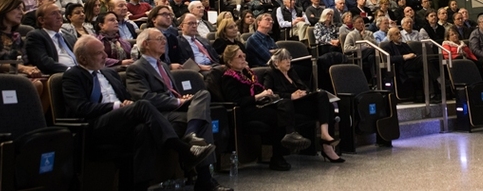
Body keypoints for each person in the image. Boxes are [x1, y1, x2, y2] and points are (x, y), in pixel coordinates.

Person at [61, 36, 227, 191]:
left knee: (144, 130)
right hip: (97, 125)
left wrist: (125, 104)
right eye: (99, 53)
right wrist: (117, 106)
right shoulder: (73, 75)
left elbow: (126, 97)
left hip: (122, 120)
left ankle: (141, 185)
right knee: (142, 105)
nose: (105, 56)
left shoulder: (109, 73)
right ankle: (183, 149)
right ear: (83, 58)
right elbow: (81, 108)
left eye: (103, 51)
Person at [126, 29, 223, 190]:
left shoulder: (163, 65)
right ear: (145, 44)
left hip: (176, 106)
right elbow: (145, 98)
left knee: (203, 94)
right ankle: (205, 179)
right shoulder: (136, 69)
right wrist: (176, 101)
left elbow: (171, 90)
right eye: (159, 39)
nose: (164, 42)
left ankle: (190, 135)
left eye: (164, 39)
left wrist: (182, 99)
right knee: (203, 120)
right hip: (158, 113)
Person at [212, 44, 310, 171]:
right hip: (246, 110)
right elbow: (237, 101)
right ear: (230, 61)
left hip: (260, 104)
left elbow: (259, 89)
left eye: (244, 56)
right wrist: (259, 96)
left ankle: (287, 139)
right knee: (277, 116)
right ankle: (279, 153)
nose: (243, 58)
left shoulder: (247, 74)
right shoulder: (228, 78)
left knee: (284, 104)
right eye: (239, 57)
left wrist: (267, 93)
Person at [262, 48, 343, 163]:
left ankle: (325, 137)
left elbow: (304, 87)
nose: (288, 61)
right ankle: (326, 145)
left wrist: (303, 92)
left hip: (301, 101)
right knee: (325, 106)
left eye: (289, 58)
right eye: (284, 59)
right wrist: (291, 95)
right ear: (276, 62)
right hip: (288, 105)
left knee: (323, 97)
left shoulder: (291, 72)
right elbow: (270, 93)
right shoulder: (270, 74)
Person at [24, 2, 77, 74]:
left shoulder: (70, 36)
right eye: (54, 14)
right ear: (41, 20)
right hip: (59, 74)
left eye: (59, 12)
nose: (59, 16)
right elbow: (44, 62)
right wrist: (71, 70)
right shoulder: (35, 36)